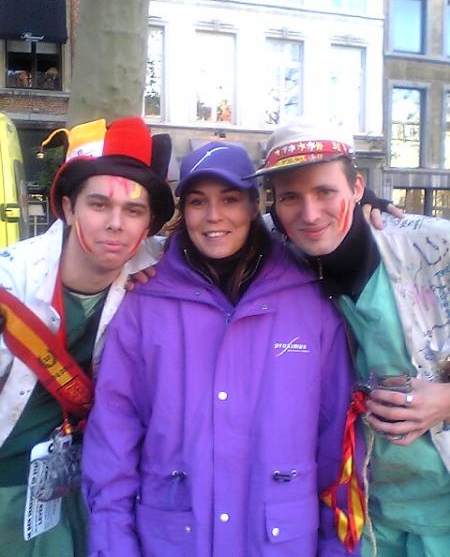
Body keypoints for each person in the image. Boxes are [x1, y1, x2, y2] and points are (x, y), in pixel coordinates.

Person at [83, 141, 362, 556]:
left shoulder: (310, 298)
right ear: (183, 211)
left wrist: (338, 547)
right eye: (198, 201)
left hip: (279, 541)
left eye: (229, 199)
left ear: (254, 205)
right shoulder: (145, 301)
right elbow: (114, 437)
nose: (214, 216)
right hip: (174, 538)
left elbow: (336, 439)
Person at [252, 120, 450, 557]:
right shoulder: (276, 258)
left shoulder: (434, 248)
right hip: (361, 518)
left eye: (326, 191)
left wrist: (447, 400)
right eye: (290, 197)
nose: (309, 214)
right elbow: (200, 233)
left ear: (358, 187)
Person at [0, 116, 174, 557]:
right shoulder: (10, 283)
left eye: (133, 210)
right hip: (8, 493)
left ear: (149, 224)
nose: (116, 223)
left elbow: (227, 236)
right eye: (99, 204)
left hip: (92, 489)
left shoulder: (156, 270)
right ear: (68, 207)